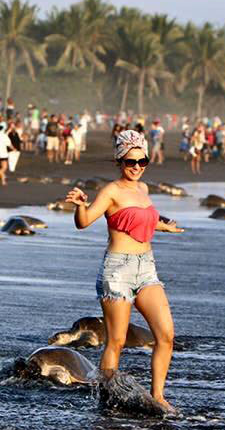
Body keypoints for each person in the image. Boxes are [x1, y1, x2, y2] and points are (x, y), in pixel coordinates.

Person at [64, 130, 184, 414]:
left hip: (147, 268)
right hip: (118, 270)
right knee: (116, 341)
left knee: (166, 335)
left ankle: (158, 397)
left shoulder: (142, 189)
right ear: (120, 160)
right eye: (131, 162)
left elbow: (140, 220)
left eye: (143, 161)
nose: (137, 167)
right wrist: (80, 206)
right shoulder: (111, 191)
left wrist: (162, 225)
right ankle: (106, 398)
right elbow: (84, 222)